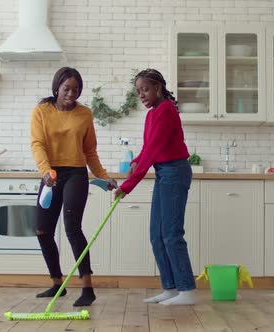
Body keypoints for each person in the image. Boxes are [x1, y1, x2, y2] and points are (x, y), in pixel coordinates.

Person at [30, 67, 116, 307]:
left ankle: (87, 288)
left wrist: (103, 176)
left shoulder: (84, 114)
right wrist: (45, 171)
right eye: (67, 88)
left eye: (76, 90)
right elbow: (37, 144)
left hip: (76, 174)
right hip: (50, 174)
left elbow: (89, 151)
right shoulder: (41, 111)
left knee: (72, 228)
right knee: (42, 230)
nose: (71, 93)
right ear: (56, 87)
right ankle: (57, 283)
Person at [113, 68, 196, 305]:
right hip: (163, 173)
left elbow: (154, 150)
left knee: (171, 234)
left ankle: (187, 291)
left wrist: (128, 185)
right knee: (156, 235)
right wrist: (135, 161)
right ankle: (170, 287)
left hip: (175, 172)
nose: (142, 94)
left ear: (158, 88)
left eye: (145, 89)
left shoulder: (167, 110)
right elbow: (148, 148)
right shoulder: (152, 115)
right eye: (138, 91)